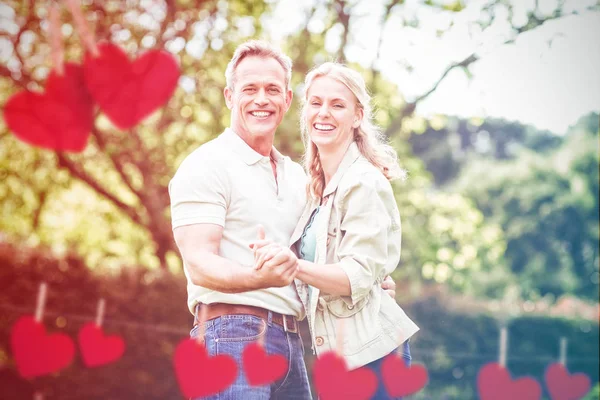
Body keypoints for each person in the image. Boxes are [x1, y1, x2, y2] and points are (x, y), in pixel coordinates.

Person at [169, 41, 397, 400]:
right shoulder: (206, 164)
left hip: (293, 340)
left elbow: (321, 253)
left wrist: (368, 280)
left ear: (288, 100)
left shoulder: (299, 179)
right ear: (230, 96)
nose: (262, 99)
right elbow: (199, 264)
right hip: (229, 333)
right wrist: (257, 278)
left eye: (272, 89)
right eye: (250, 89)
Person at [252, 62, 419, 400]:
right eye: (315, 103)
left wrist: (293, 265)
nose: (323, 113)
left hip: (373, 356)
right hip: (341, 358)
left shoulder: (363, 182)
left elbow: (355, 273)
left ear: (357, 115)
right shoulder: (318, 189)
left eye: (337, 104)